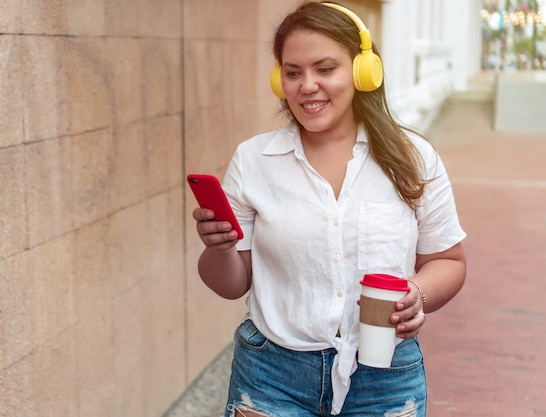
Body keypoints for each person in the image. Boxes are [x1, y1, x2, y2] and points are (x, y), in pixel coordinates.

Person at [191, 2, 467, 416]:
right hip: (271, 374)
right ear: (278, 78)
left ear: (363, 72)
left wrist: (418, 294)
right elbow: (231, 284)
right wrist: (219, 249)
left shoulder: (414, 158)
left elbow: (448, 260)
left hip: (386, 374)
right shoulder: (254, 161)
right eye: (293, 72)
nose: (307, 85)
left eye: (325, 69)